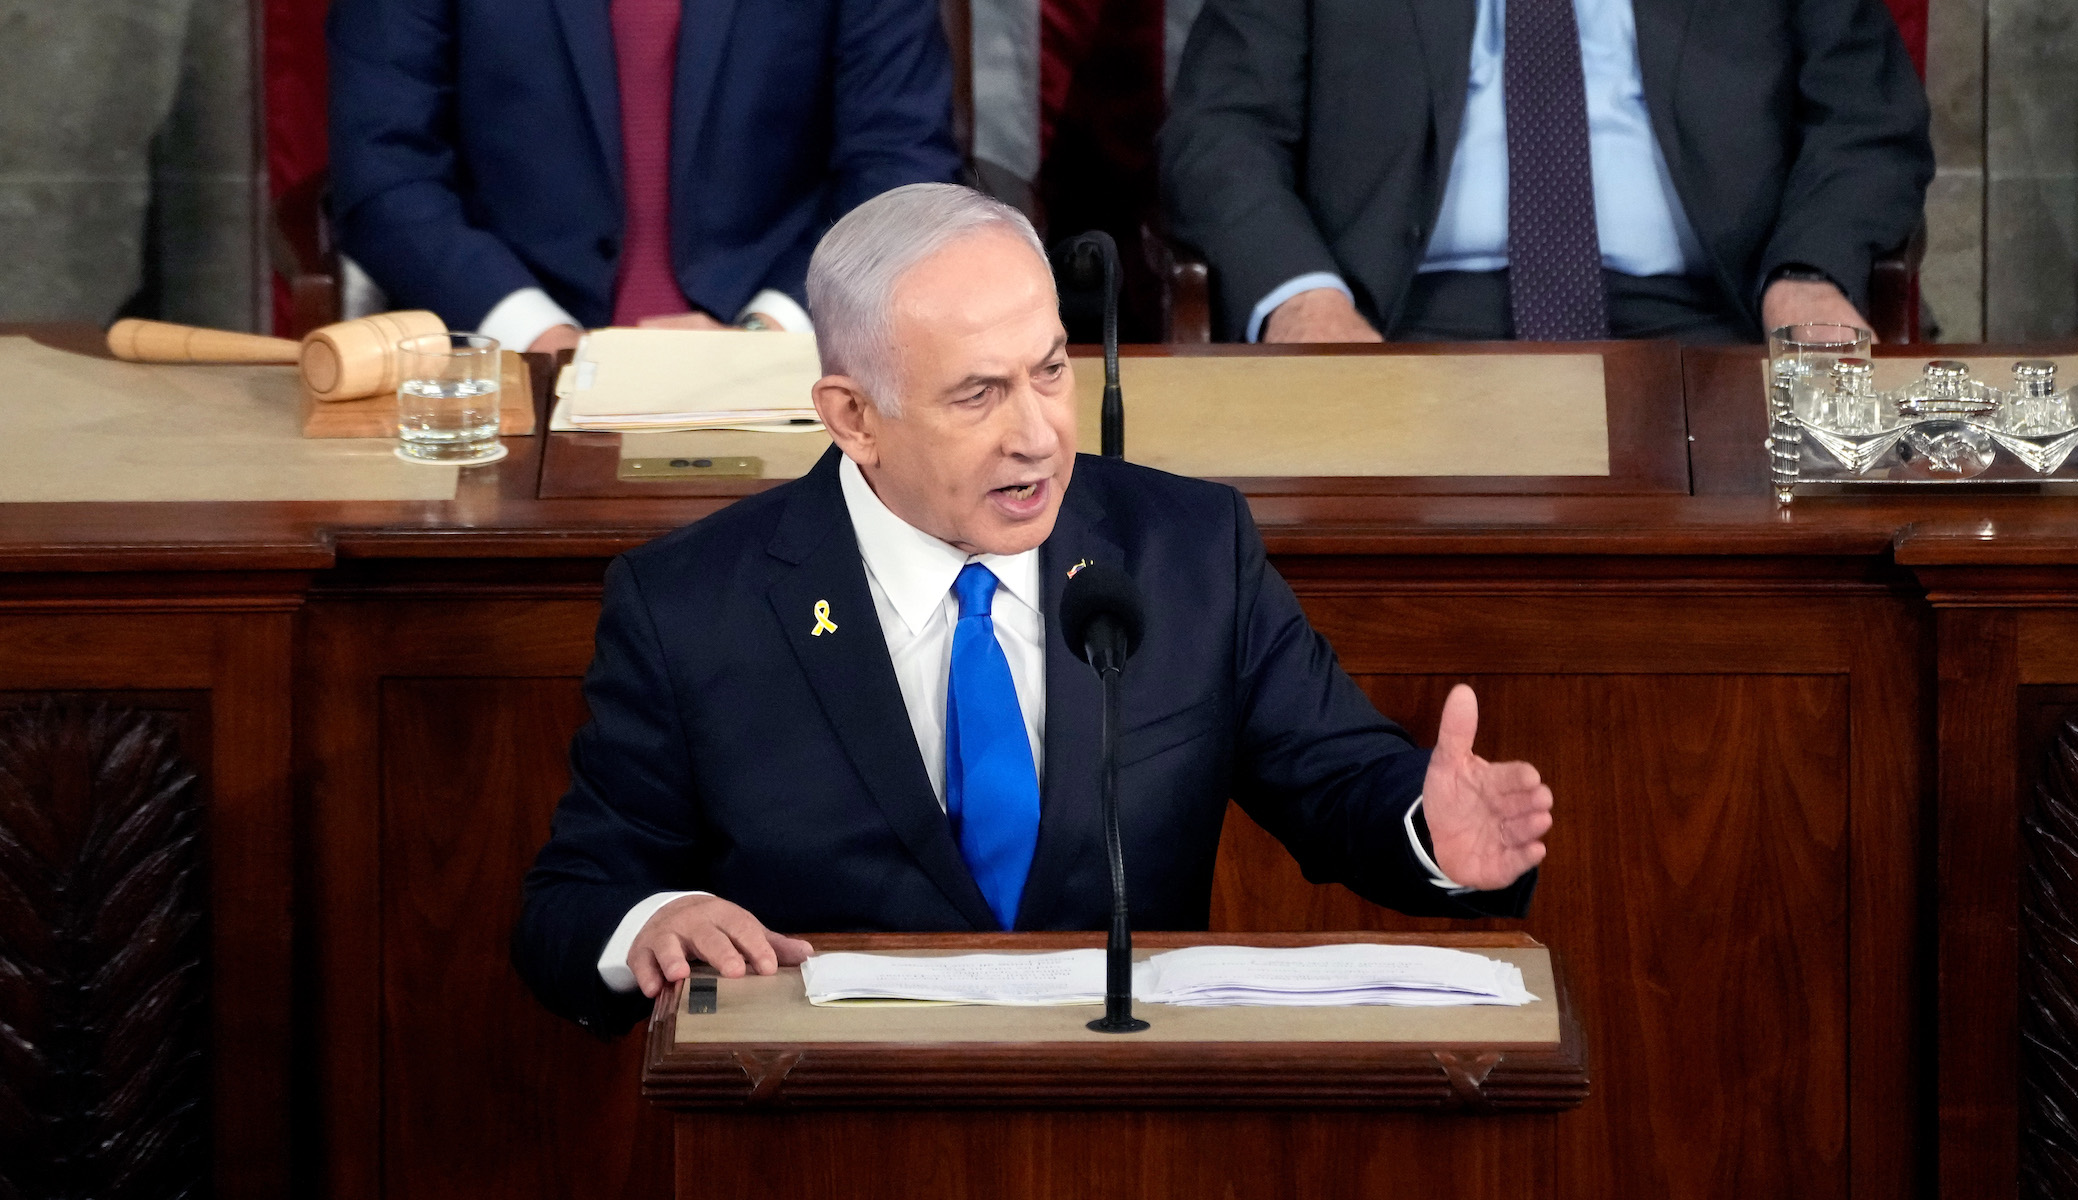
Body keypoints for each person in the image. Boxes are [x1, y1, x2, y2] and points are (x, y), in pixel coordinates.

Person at [513, 184, 1554, 1034]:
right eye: (978, 395)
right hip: (829, 1131)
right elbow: (570, 906)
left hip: (1131, 1127)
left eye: (1051, 372)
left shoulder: (1187, 550)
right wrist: (654, 918)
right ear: (853, 417)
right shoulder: (696, 604)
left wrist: (1429, 828)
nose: (1039, 436)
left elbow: (1339, 783)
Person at [1159, 0, 1934, 345]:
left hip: (1714, 329)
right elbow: (1219, 130)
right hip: (1394, 331)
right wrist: (1304, 303)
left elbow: (1866, 119)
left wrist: (1808, 273)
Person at [326, 0, 963, 355]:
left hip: (798, 361)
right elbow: (385, 173)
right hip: (508, 373)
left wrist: (766, 337)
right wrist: (541, 339)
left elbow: (900, 164)